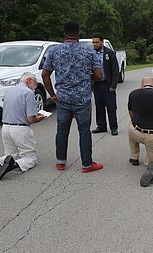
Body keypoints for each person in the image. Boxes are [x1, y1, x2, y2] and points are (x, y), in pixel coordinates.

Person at [42, 20, 103, 173]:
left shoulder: (55, 51)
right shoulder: (88, 51)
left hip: (63, 98)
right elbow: (99, 75)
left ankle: (61, 162)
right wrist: (87, 77)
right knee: (84, 131)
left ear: (64, 34)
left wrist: (52, 95)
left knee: (62, 130)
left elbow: (45, 75)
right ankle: (87, 164)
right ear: (78, 34)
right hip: (82, 98)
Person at [0, 72, 45, 181]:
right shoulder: (28, 93)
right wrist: (40, 117)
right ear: (29, 80)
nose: (35, 86)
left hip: (6, 127)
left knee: (11, 154)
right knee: (30, 157)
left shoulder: (9, 91)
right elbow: (31, 118)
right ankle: (13, 165)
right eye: (35, 83)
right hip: (20, 129)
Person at [127, 77, 153, 187]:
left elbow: (131, 113)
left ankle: (134, 157)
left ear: (141, 86)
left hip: (137, 132)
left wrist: (135, 122)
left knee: (131, 126)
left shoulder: (133, 94)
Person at [91, 33, 120, 136]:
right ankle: (101, 126)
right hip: (97, 85)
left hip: (107, 84)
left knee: (111, 106)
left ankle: (113, 127)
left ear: (102, 42)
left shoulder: (110, 53)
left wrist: (113, 85)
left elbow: (115, 70)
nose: (94, 44)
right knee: (99, 106)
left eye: (97, 42)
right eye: (93, 42)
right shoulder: (91, 54)